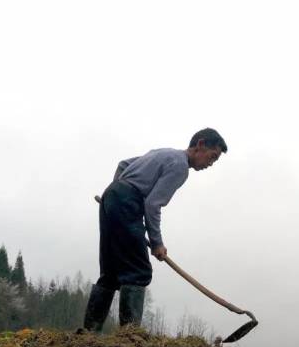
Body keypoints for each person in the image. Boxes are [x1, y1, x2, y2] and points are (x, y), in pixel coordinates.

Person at [83, 128, 228, 331]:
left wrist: (115, 193)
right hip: (128, 201)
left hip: (112, 196)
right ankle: (129, 337)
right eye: (212, 158)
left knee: (111, 272)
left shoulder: (163, 152)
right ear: (200, 145)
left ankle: (89, 332)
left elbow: (123, 164)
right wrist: (157, 242)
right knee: (138, 271)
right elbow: (152, 204)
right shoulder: (180, 167)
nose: (210, 164)